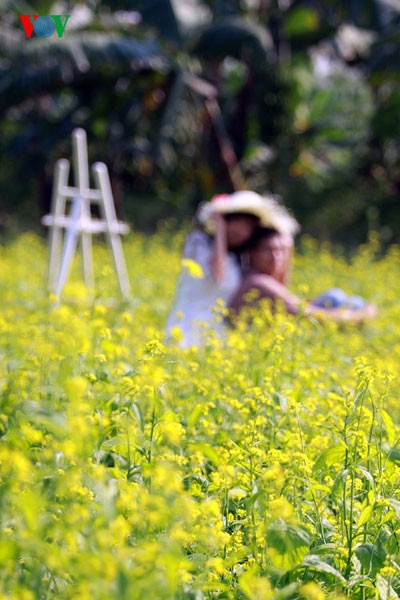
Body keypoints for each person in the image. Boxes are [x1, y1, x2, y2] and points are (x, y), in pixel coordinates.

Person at [166, 191, 300, 347]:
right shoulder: (200, 243)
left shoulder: (240, 259)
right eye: (237, 222)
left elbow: (277, 284)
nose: (241, 231)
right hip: (187, 331)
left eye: (248, 227)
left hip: (219, 336)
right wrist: (220, 229)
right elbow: (218, 274)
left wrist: (287, 245)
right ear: (225, 220)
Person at [229, 227, 377, 323]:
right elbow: (309, 316)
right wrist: (365, 314)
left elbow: (291, 300)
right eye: (267, 250)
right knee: (345, 301)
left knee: (335, 298)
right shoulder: (258, 282)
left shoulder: (252, 275)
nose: (276, 257)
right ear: (250, 253)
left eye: (281, 250)